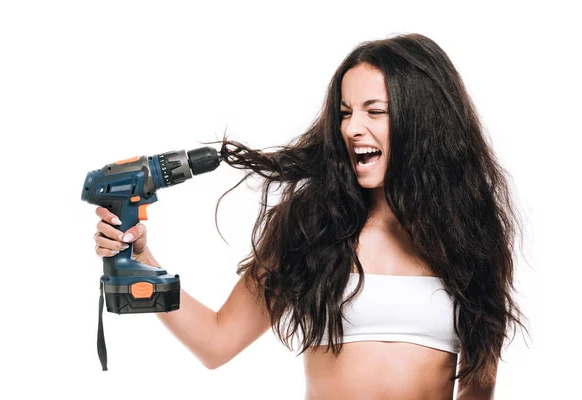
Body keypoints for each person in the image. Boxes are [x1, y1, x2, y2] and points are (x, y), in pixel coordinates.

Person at [93, 33, 530, 400]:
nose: (351, 127)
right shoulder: (311, 226)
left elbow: (478, 388)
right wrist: (142, 259)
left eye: (374, 111)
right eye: (345, 112)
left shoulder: (473, 238)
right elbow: (216, 342)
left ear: (423, 121)